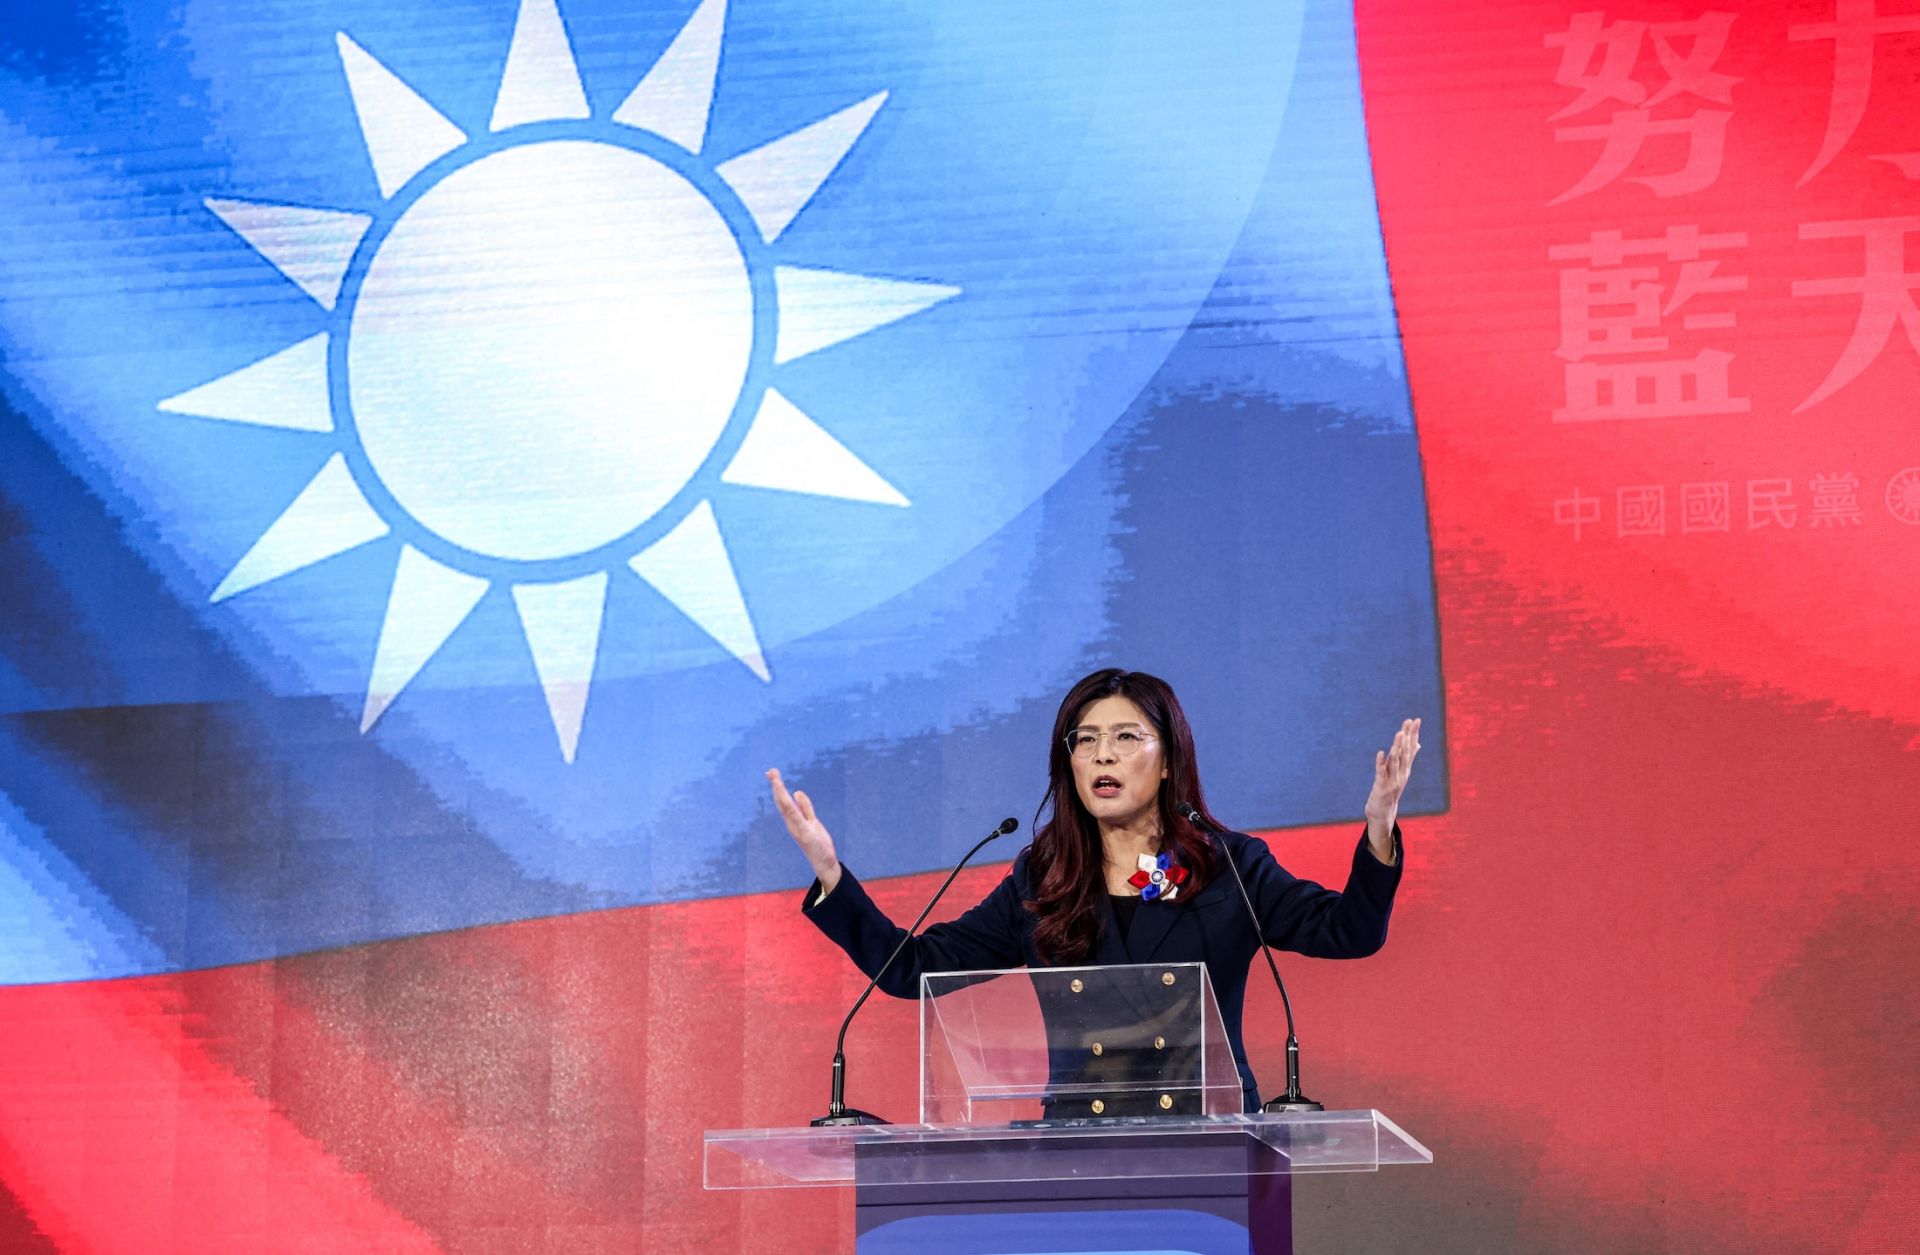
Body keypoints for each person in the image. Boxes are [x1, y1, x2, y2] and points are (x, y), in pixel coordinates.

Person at [767, 667, 1420, 1115]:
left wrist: (1380, 832)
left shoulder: (1232, 869)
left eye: (1125, 737)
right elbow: (910, 969)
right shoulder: (1043, 879)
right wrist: (832, 874)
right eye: (1086, 741)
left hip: (1213, 1144)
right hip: (1081, 1149)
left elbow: (1350, 932)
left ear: (1167, 760)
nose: (1102, 755)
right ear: (1069, 763)